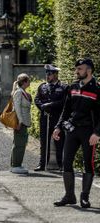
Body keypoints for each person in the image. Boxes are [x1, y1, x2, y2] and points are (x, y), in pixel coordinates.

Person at [53, 58, 100, 208]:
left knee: (88, 164)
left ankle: (84, 197)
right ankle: (69, 196)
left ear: (89, 70)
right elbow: (66, 110)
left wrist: (97, 133)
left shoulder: (97, 89)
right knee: (66, 162)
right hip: (72, 130)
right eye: (77, 69)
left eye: (80, 69)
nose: (77, 71)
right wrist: (58, 127)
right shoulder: (72, 87)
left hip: (89, 132)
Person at [34, 65, 67, 171]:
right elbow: (37, 99)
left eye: (50, 74)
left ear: (56, 75)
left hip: (57, 118)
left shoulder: (63, 87)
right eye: (46, 74)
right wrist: (42, 107)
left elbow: (64, 102)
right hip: (45, 117)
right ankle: (42, 164)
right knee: (44, 142)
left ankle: (61, 164)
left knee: (59, 141)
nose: (47, 76)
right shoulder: (42, 86)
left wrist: (50, 105)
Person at [10, 73, 31, 174]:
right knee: (19, 144)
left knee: (20, 143)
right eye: (28, 81)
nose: (30, 83)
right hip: (20, 122)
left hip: (23, 122)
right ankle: (16, 165)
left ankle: (16, 164)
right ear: (24, 82)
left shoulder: (22, 92)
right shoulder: (19, 92)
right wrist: (20, 121)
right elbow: (17, 108)